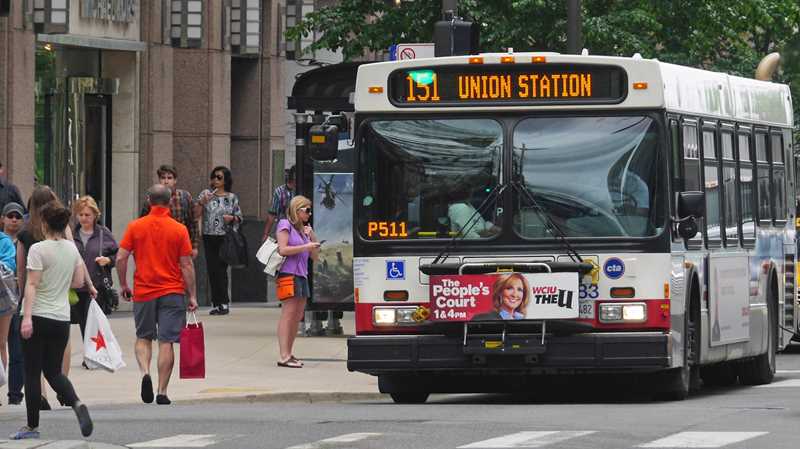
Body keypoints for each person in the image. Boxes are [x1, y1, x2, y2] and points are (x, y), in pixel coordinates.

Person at [11, 203, 93, 440]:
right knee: (54, 371)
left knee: (32, 371)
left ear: (44, 224)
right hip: (60, 317)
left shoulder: (38, 249)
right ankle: (76, 402)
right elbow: (78, 281)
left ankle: (32, 426)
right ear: (64, 224)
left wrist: (26, 318)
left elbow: (32, 284)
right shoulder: (71, 249)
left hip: (37, 315)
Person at [117, 184, 199, 405]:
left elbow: (120, 257)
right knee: (166, 341)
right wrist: (192, 295)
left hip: (144, 291)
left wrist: (124, 284)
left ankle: (145, 372)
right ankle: (162, 391)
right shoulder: (179, 229)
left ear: (148, 200)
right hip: (172, 291)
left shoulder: (135, 227)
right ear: (171, 200)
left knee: (143, 337)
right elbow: (187, 264)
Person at [275, 196, 320, 368]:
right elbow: (283, 249)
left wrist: (311, 237)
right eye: (306, 210)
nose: (309, 213)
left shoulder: (304, 231)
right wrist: (305, 246)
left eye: (310, 210)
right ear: (297, 210)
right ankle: (284, 355)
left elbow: (315, 257)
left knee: (297, 316)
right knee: (288, 314)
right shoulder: (284, 224)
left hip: (302, 275)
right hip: (288, 274)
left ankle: (289, 352)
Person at [195, 166, 242, 316]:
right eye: (214, 177)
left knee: (221, 270)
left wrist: (232, 218)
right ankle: (217, 303)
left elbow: (239, 217)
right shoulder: (206, 194)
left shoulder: (232, 197)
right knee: (212, 270)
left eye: (219, 177)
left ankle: (223, 303)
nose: (215, 180)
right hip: (209, 236)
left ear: (226, 180)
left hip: (224, 236)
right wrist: (202, 202)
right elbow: (195, 214)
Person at [72, 196, 119, 338]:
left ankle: (93, 357)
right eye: (80, 215)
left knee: (93, 324)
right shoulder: (72, 234)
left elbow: (118, 255)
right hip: (77, 287)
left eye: (87, 215)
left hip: (97, 288)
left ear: (95, 215)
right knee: (83, 323)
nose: (84, 218)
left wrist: (108, 260)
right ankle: (90, 355)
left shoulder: (103, 233)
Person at [140, 165, 200, 259]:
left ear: (175, 180)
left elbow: (193, 222)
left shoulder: (184, 196)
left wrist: (194, 246)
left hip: (179, 243)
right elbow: (142, 223)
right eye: (163, 178)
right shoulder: (152, 197)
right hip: (157, 244)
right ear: (159, 180)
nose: (166, 181)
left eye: (169, 178)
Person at [3, 202, 25, 405]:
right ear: (3, 219)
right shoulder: (1, 241)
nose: (14, 219)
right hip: (2, 301)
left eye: (18, 216)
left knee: (17, 349)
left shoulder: (25, 242)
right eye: (10, 216)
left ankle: (15, 394)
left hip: (19, 301)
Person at [263, 166, 295, 242]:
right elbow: (272, 214)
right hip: (283, 229)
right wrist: (266, 234)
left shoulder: (303, 190)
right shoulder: (280, 191)